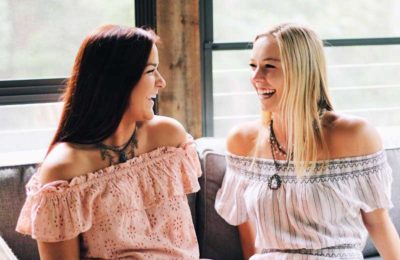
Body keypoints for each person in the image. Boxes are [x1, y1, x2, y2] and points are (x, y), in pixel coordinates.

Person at [215, 23, 400, 259]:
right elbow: (247, 231)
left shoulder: (355, 136)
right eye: (253, 66)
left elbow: (378, 224)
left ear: (301, 71)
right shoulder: (242, 141)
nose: (256, 78)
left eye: (269, 67)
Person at [16, 25, 202, 259]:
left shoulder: (168, 139)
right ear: (116, 81)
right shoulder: (65, 169)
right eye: (151, 71)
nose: (161, 82)